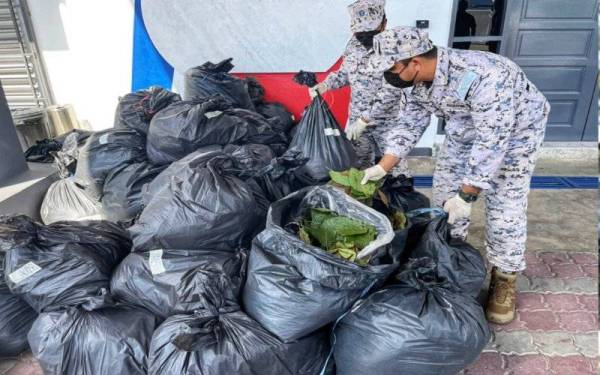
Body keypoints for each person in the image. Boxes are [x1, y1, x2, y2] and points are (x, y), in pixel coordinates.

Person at [362, 26, 550, 324]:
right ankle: (452, 254)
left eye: (391, 68)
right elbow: (409, 122)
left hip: (516, 131)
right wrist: (382, 167)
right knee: (444, 196)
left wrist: (468, 194)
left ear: (414, 63)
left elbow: (493, 140)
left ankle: (505, 277)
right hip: (465, 127)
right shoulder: (416, 81)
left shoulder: (486, 76)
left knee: (504, 208)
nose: (389, 75)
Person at [308, 0, 410, 176]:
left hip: (389, 122)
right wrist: (326, 85)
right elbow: (345, 73)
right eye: (360, 33)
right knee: (358, 170)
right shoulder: (353, 46)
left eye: (369, 32)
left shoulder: (396, 49)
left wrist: (365, 119)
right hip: (356, 122)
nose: (364, 37)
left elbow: (392, 91)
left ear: (384, 24)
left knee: (395, 171)